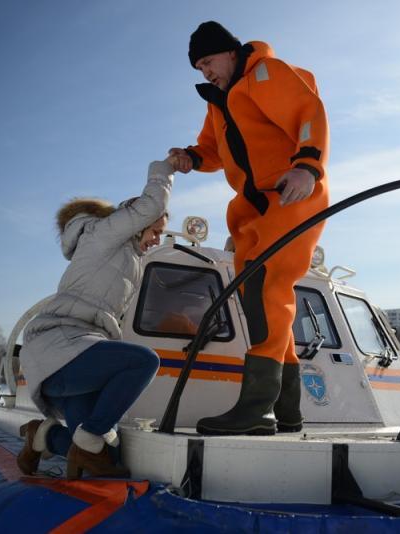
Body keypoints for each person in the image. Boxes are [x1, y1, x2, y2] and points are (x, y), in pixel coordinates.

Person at [168, 21, 329, 436]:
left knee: (268, 287)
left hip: (291, 194)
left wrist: (308, 167)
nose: (205, 71)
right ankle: (288, 410)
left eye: (208, 61)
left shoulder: (265, 74)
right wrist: (190, 157)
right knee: (256, 296)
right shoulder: (219, 102)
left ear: (230, 52)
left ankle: (258, 408)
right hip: (251, 207)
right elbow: (212, 151)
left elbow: (308, 112)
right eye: (198, 66)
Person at [16, 159, 173, 479]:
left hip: (79, 356)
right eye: (156, 230)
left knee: (107, 457)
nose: (157, 239)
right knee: (143, 362)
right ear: (136, 221)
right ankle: (85, 440)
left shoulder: (132, 262)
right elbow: (152, 202)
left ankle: (41, 436)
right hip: (58, 349)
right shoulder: (103, 234)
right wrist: (164, 170)